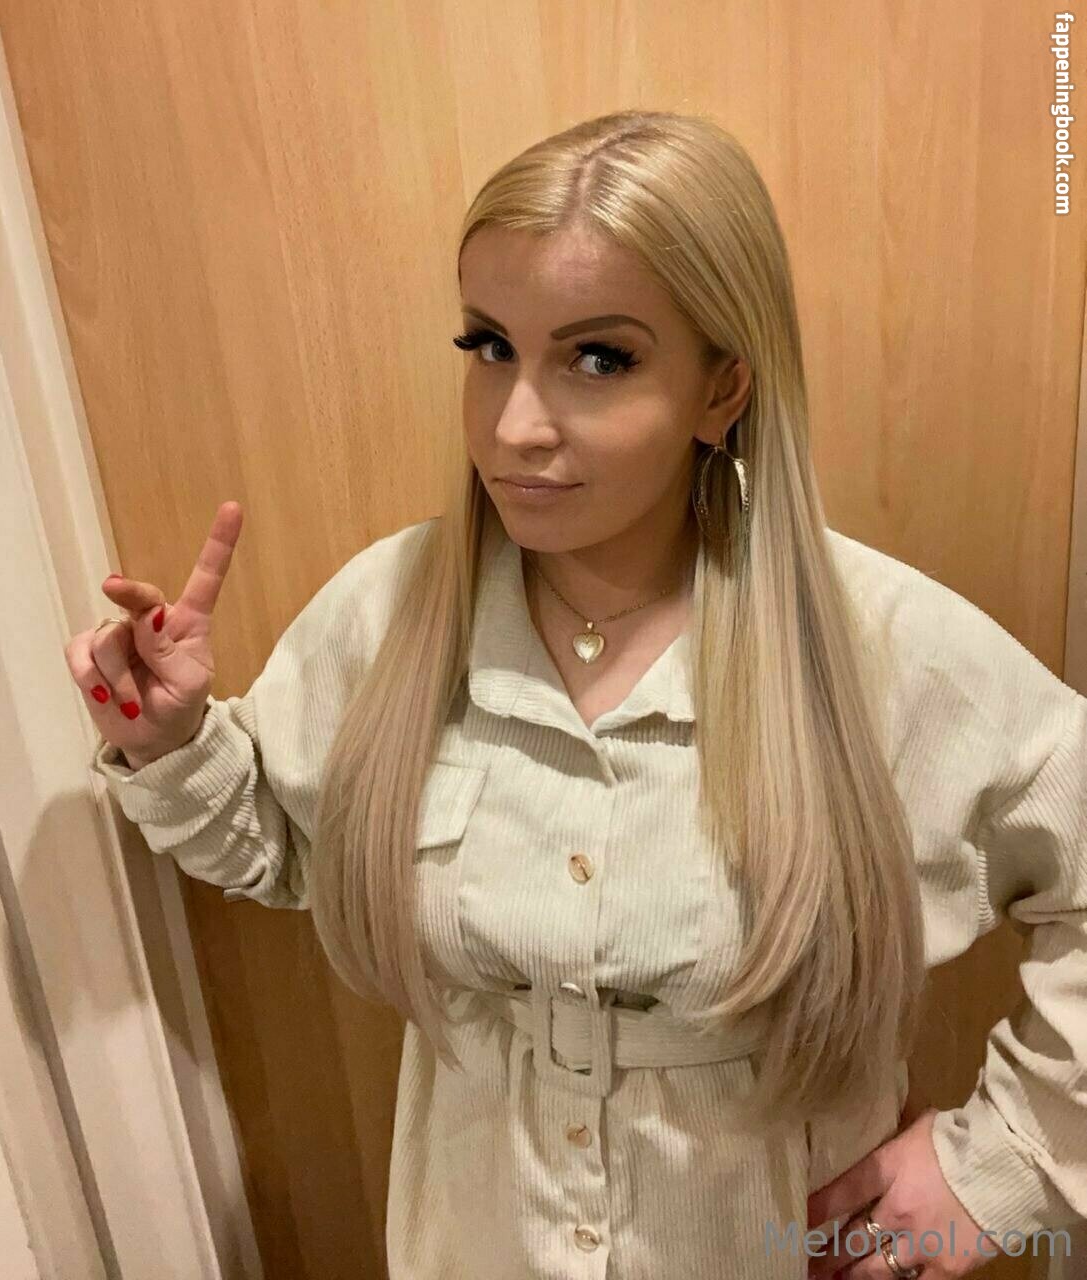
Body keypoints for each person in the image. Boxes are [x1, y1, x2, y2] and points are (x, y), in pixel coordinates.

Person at [67, 110, 1086, 1279]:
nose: (513, 425)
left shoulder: (875, 647)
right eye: (488, 346)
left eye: (598, 359)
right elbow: (289, 846)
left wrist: (999, 1163)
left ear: (721, 389)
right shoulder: (393, 612)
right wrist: (174, 739)